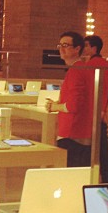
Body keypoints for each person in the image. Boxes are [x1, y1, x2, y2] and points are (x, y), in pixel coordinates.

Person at [45, 31, 95, 170]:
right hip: (81, 132)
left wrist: (54, 107)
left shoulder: (76, 71)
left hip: (72, 134)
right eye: (60, 45)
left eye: (66, 45)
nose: (61, 48)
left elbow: (74, 105)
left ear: (77, 48)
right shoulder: (82, 69)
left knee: (70, 177)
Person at [84, 35, 108, 182]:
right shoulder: (107, 65)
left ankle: (85, 179)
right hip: (101, 113)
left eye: (86, 46)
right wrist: (106, 111)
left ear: (93, 48)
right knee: (103, 150)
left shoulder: (87, 65)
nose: (84, 49)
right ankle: (107, 180)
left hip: (88, 114)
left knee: (86, 149)